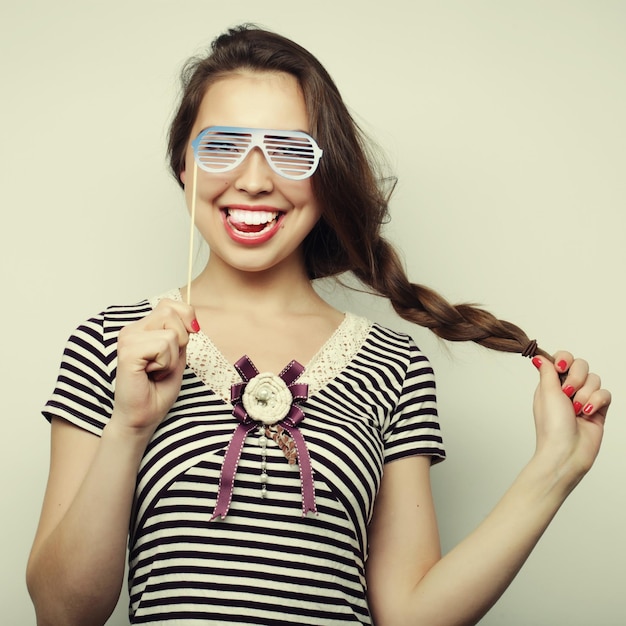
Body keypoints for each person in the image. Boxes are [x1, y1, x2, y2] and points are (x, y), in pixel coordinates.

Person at [26, 24, 611, 626]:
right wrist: (129, 426)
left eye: (290, 151)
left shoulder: (395, 364)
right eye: (223, 145)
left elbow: (411, 616)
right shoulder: (116, 342)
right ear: (184, 163)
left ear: (325, 179)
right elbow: (60, 612)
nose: (254, 180)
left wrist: (555, 470)